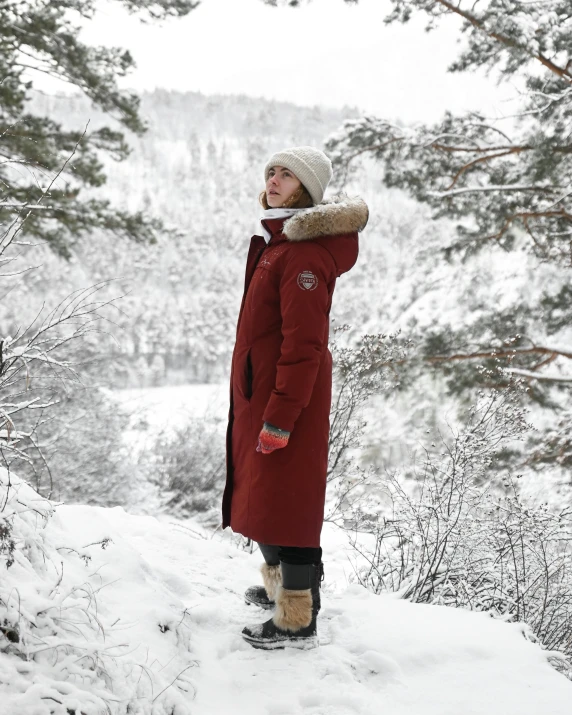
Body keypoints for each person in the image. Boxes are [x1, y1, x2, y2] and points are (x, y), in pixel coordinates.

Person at [221, 145, 369, 649]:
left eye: (286, 174)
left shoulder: (302, 253)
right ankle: (285, 590)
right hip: (260, 391)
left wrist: (281, 416)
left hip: (288, 397)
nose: (275, 179)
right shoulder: (277, 243)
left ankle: (296, 618)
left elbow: (305, 344)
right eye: (271, 171)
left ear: (306, 188)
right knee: (266, 493)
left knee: (289, 501)